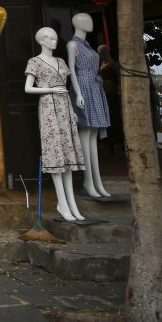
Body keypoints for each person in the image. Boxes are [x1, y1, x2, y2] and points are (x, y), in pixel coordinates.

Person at [25, 27, 86, 222]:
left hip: (65, 108)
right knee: (56, 152)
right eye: (51, 38)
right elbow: (28, 88)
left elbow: (66, 88)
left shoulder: (60, 62)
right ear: (42, 40)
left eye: (55, 38)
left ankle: (71, 203)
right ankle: (62, 202)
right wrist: (49, 90)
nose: (55, 41)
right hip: (49, 109)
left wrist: (72, 111)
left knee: (68, 153)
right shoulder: (34, 62)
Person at [66, 13, 111, 198]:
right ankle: (88, 180)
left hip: (94, 86)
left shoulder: (88, 45)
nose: (90, 22)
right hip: (83, 88)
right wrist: (77, 93)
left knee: (93, 135)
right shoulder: (73, 44)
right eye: (86, 19)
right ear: (77, 22)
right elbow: (72, 71)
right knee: (86, 134)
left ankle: (97, 181)